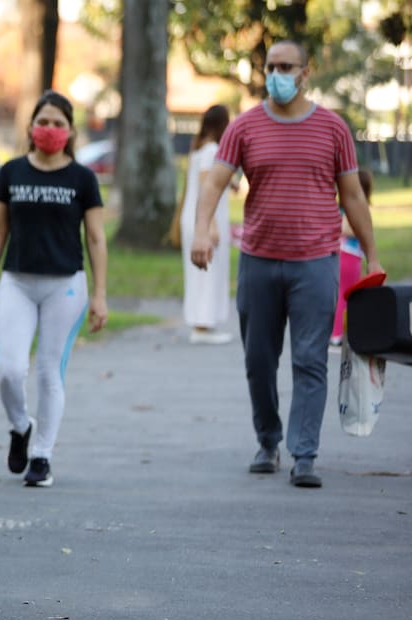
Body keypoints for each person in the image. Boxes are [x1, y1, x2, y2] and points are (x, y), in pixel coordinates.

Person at [191, 40, 384, 489]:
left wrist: (372, 256)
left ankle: (305, 453)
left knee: (310, 359)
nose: (276, 74)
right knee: (259, 360)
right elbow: (214, 183)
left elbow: (353, 196)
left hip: (315, 262)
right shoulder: (244, 126)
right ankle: (268, 440)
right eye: (271, 66)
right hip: (259, 261)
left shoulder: (333, 128)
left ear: (305, 72)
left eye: (286, 66)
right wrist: (202, 230)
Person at [0, 90, 109, 488]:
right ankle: (21, 426)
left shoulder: (82, 178)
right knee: (10, 371)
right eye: (43, 121)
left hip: (65, 287)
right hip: (16, 282)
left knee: (50, 372)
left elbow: (96, 238)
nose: (49, 129)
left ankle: (42, 456)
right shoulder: (12, 172)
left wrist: (100, 294)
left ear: (70, 131)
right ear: (31, 126)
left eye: (58, 123)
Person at [181, 104, 234, 345]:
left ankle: (202, 321)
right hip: (204, 220)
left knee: (200, 272)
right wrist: (210, 225)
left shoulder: (198, 149)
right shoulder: (212, 150)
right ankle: (202, 324)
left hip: (193, 219)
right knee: (207, 271)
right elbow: (206, 184)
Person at [332, 168, 373, 345]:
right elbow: (346, 228)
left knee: (344, 293)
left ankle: (340, 331)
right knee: (346, 294)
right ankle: (338, 333)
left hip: (347, 254)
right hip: (349, 255)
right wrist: (361, 230)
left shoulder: (343, 207)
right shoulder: (354, 209)